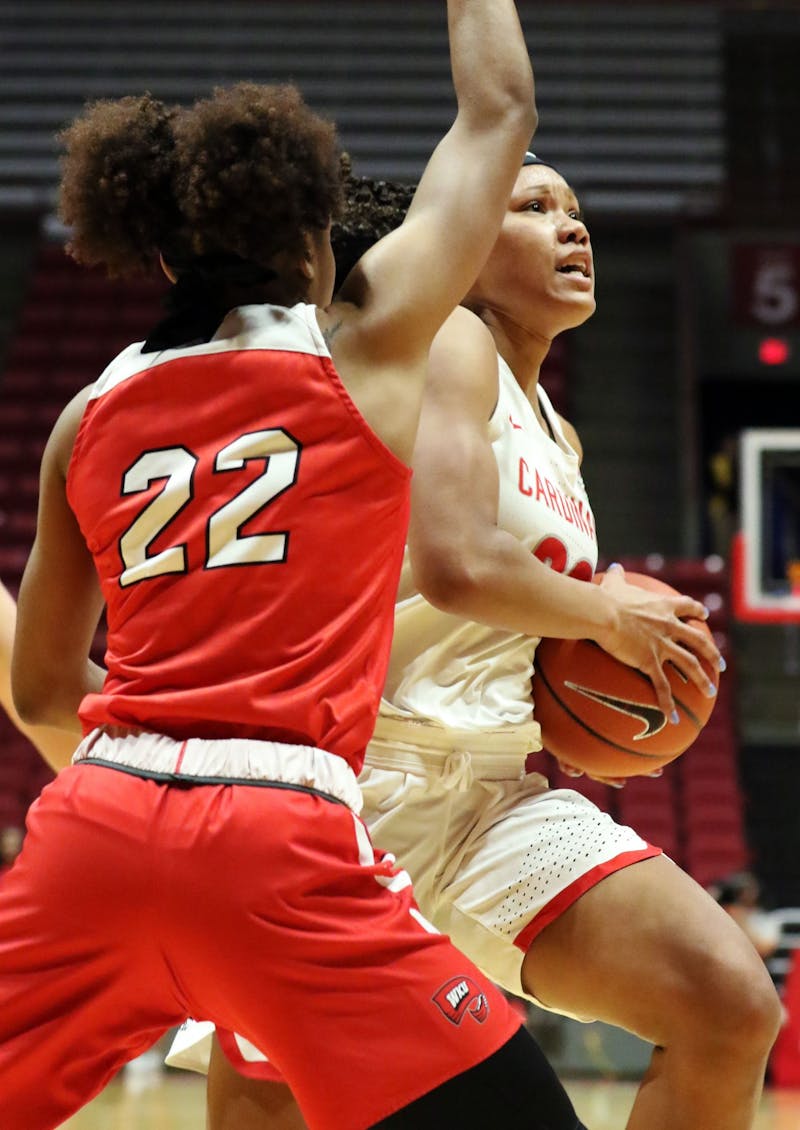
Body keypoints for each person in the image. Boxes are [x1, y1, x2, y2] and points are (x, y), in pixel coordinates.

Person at [0, 5, 591, 1127]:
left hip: (95, 822)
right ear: (320, 242)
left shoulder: (87, 415)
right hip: (283, 835)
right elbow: (498, 112)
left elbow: (38, 691)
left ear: (162, 252)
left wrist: (155, 785)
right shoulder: (360, 349)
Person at [177, 160, 783, 1130]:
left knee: (726, 1002)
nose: (570, 228)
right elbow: (453, 561)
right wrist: (602, 612)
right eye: (532, 207)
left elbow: (512, 608)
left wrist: (596, 630)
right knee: (270, 1102)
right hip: (356, 788)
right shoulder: (449, 341)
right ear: (461, 244)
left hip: (495, 790)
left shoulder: (560, 434)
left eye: (576, 211)